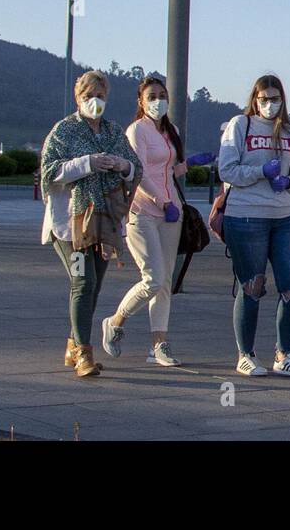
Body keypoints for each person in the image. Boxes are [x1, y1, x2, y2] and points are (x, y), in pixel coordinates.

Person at [101, 74, 214, 368]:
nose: (157, 101)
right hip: (142, 212)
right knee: (151, 278)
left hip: (171, 213)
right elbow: (136, 173)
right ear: (141, 101)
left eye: (161, 95)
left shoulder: (170, 131)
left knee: (164, 282)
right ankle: (115, 321)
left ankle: (159, 345)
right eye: (151, 96)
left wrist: (189, 164)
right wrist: (160, 201)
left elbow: (168, 172)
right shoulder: (136, 131)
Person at [40, 69, 140, 378]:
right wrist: (88, 164)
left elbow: (134, 167)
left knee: (93, 285)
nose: (94, 102)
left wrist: (123, 166)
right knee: (82, 282)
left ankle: (73, 344)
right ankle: (84, 353)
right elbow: (49, 171)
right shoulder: (63, 131)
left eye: (99, 96)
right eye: (88, 97)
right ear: (77, 98)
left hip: (104, 221)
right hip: (71, 224)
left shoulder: (112, 131)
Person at [218, 74, 290, 378]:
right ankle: (245, 354)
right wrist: (261, 170)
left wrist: (289, 181)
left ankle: (285, 354)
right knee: (252, 286)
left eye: (275, 99)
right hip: (246, 216)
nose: (269, 104)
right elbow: (227, 169)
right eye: (264, 99)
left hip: (283, 216)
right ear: (254, 100)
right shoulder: (240, 126)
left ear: (283, 100)